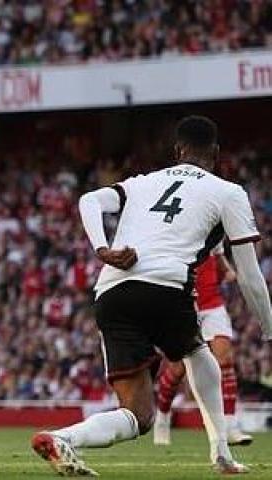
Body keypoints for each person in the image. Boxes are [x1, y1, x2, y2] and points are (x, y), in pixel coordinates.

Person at [31, 115, 272, 476]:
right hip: (165, 287)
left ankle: (60, 436)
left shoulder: (143, 183)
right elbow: (250, 276)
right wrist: (269, 329)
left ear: (178, 151)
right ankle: (221, 451)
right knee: (195, 351)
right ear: (217, 153)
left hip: (112, 291)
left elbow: (88, 201)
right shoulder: (228, 192)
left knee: (137, 413)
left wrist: (101, 248)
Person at [154, 250, 252, 446]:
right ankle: (162, 418)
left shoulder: (213, 223)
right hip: (185, 306)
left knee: (225, 359)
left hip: (212, 304)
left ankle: (230, 426)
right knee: (177, 370)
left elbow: (218, 254)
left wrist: (228, 270)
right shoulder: (178, 228)